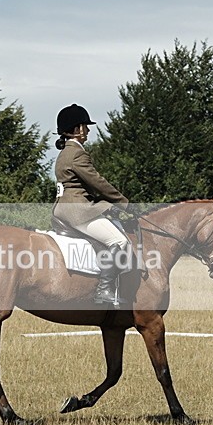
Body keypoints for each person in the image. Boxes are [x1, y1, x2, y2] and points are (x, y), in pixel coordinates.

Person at [52, 103, 132, 305]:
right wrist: (123, 203)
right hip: (76, 211)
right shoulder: (77, 153)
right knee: (119, 241)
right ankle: (104, 290)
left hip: (62, 209)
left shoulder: (64, 153)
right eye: (85, 126)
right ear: (77, 129)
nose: (87, 130)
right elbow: (97, 182)